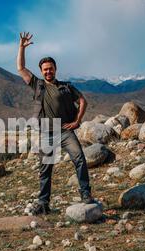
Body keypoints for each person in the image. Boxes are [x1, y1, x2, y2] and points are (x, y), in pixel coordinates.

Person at [16, 32, 95, 215]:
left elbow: (82, 100)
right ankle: (44, 203)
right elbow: (21, 67)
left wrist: (77, 121)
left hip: (65, 131)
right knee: (45, 169)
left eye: (50, 68)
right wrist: (21, 47)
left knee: (80, 159)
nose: (48, 71)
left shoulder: (66, 87)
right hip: (46, 133)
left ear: (55, 69)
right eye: (45, 69)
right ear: (42, 71)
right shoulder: (37, 85)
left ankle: (85, 194)